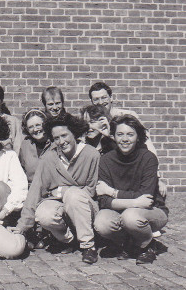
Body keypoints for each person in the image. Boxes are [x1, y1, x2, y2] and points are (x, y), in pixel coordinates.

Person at [15, 114, 100, 264]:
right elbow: (35, 191)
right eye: (56, 138)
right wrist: (22, 226)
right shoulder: (49, 158)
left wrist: (62, 191)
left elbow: (92, 189)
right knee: (44, 213)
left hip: (86, 209)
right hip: (60, 206)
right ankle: (69, 240)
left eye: (64, 135)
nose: (61, 142)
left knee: (73, 195)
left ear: (74, 133)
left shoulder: (91, 154)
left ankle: (88, 246)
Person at [94, 115, 168, 264]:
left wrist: (113, 192)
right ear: (113, 137)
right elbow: (104, 201)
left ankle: (147, 245)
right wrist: (134, 201)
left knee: (131, 216)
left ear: (138, 137)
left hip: (152, 211)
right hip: (122, 210)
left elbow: (146, 199)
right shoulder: (106, 160)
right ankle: (128, 243)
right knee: (101, 222)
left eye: (130, 134)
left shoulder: (148, 158)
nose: (125, 139)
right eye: (120, 134)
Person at [88, 82, 166, 197]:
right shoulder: (92, 120)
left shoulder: (127, 115)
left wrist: (157, 177)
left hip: (132, 171)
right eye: (96, 99)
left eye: (104, 97)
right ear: (92, 102)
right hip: (110, 173)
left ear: (111, 98)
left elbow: (147, 146)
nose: (100, 102)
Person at [19, 109, 52, 185]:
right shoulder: (25, 145)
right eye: (30, 127)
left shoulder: (54, 143)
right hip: (30, 188)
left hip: (52, 189)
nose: (35, 129)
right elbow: (21, 171)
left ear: (45, 124)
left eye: (38, 125)